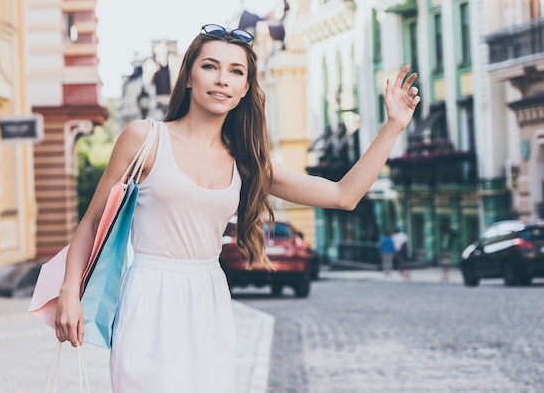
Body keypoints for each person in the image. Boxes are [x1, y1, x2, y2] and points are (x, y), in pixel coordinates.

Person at [54, 23, 420, 392]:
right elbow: (91, 224)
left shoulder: (245, 162)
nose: (222, 79)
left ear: (245, 88)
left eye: (236, 71)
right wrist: (70, 294)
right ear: (188, 78)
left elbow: (344, 194)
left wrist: (393, 125)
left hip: (209, 301)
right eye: (210, 66)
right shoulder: (144, 139)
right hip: (148, 297)